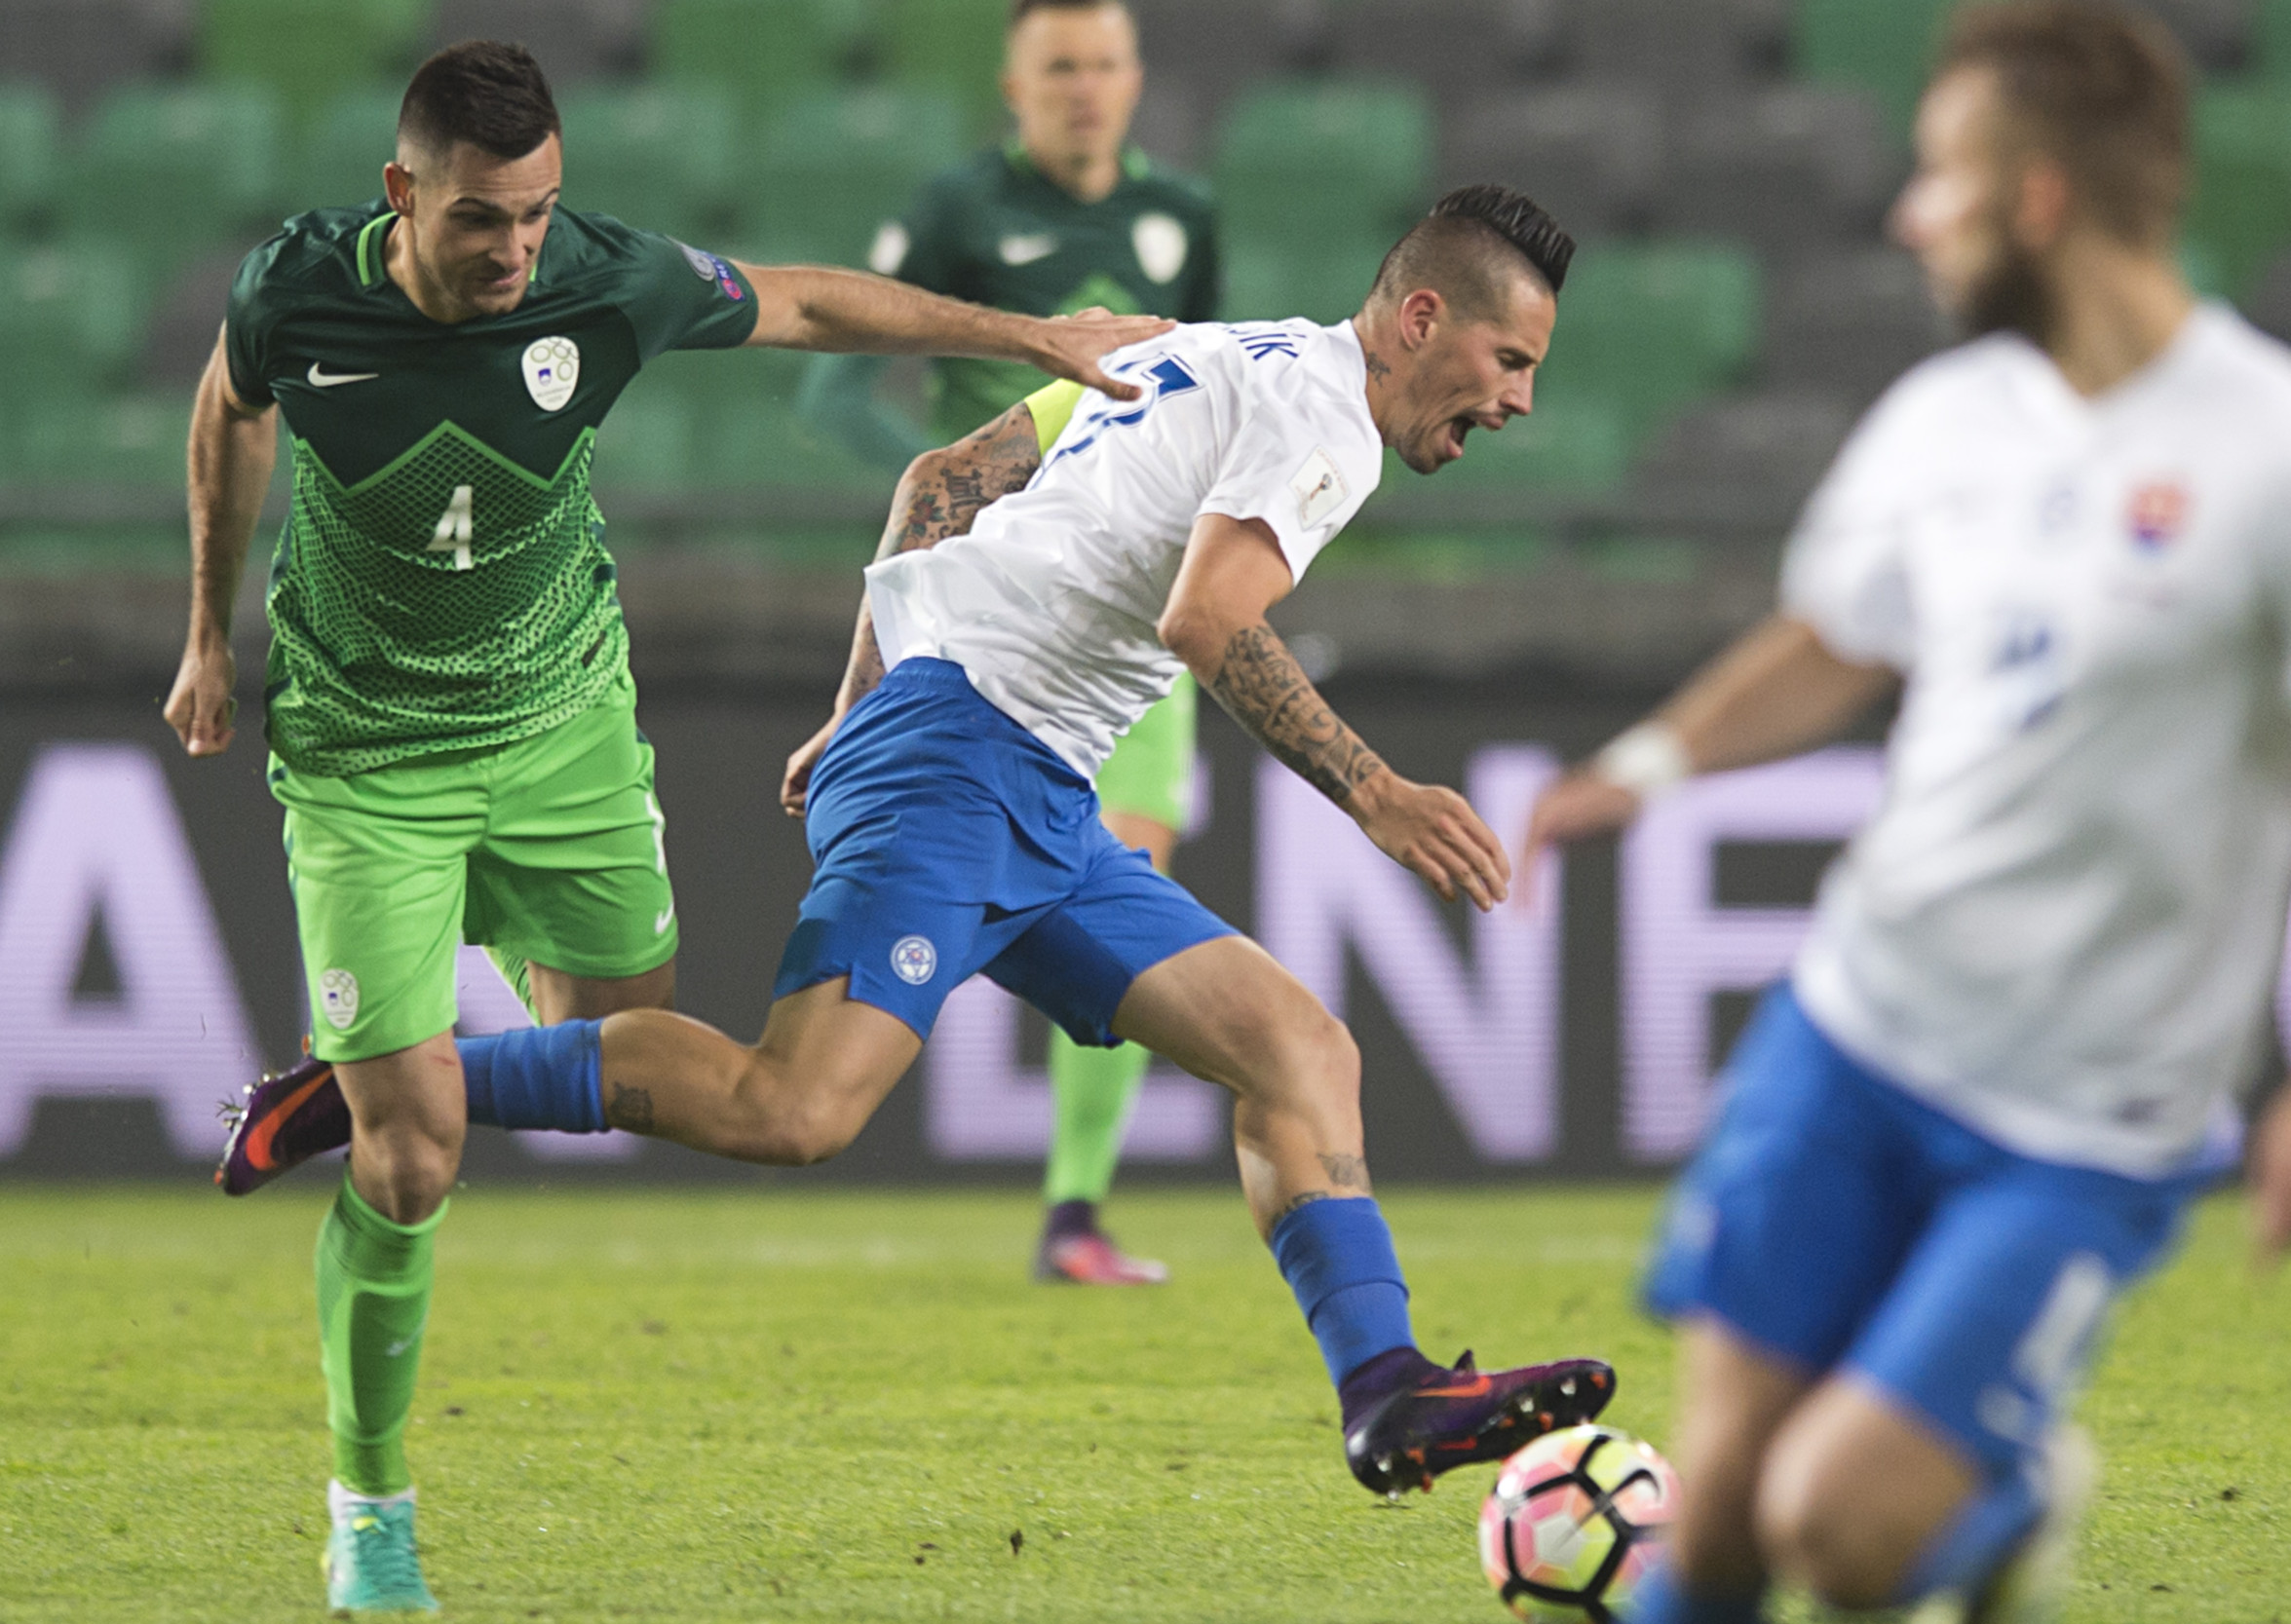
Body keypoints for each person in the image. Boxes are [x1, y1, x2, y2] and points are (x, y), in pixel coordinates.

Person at [232, 183, 1620, 1510]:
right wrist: (1372, 789)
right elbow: (1207, 620)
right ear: (1425, 318)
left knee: (1301, 1051)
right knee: (797, 1108)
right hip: (967, 753)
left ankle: (1385, 1389)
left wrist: (854, 706)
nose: (1519, 400)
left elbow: (946, 474)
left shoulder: (1214, 348)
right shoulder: (1329, 418)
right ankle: (379, 1085)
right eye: (1510, 359)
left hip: (1012, 772)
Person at [174, 39, 1165, 1616]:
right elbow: (230, 409)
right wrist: (211, 631)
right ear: (401, 194)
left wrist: (1032, 332)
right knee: (417, 1160)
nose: (517, 253)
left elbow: (810, 302)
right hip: (370, 763)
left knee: (631, 1039)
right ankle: (370, 1503)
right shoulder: (297, 289)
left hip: (561, 724)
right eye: (483, 220)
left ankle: (355, 1090)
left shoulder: (601, 281)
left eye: (539, 216)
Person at [1524, 7, 2282, 1624]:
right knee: (1713, 1501)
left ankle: (2007, 1503)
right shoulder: (1949, 422)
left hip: (2087, 1119)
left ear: (2041, 202)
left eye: (1941, 175)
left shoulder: (2266, 454)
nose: (1905, 215)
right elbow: (1835, 636)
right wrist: (1645, 765)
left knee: (1842, 1533)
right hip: (1860, 1025)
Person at [802, 0, 1222, 1284]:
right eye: (1059, 70)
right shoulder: (954, 211)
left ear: (1136, 79)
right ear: (1014, 85)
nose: (1084, 90)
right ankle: (804, 1082)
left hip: (1132, 615)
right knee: (959, 870)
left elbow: (1207, 388)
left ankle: (1073, 1211)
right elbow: (830, 392)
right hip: (987, 612)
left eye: (1103, 65)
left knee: (1131, 881)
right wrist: (970, 492)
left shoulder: (1185, 222)